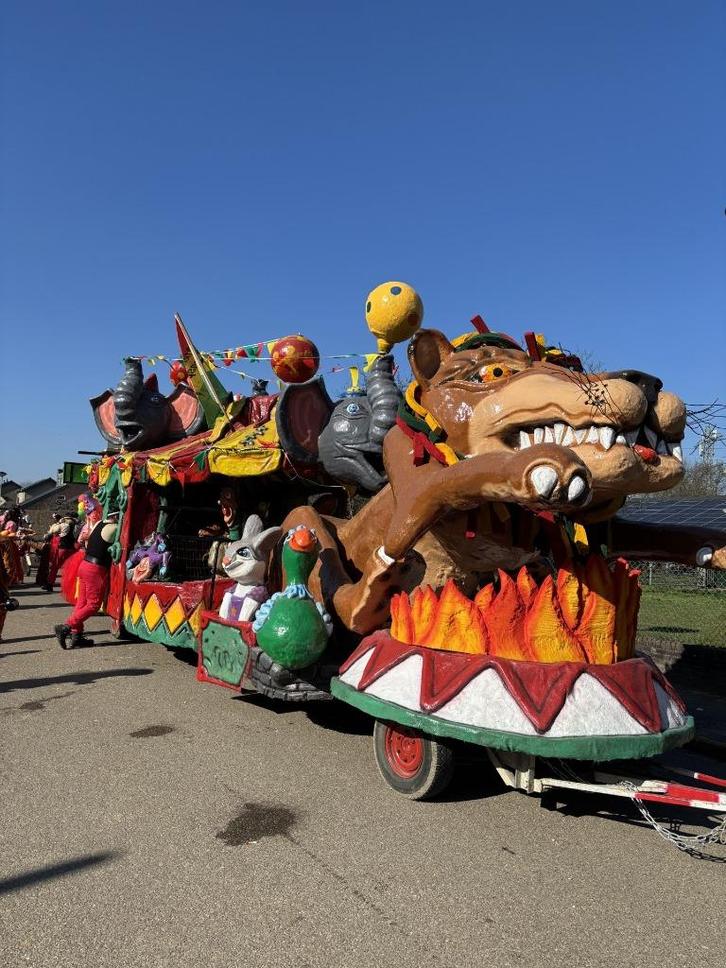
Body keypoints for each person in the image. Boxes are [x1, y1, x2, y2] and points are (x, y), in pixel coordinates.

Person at [54, 511, 119, 649]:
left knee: (82, 603)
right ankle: (66, 626)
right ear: (117, 516)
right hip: (96, 569)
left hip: (85, 564)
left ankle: (77, 636)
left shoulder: (98, 524)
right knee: (93, 604)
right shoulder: (115, 528)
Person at [45, 512, 77, 589]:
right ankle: (69, 585)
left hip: (62, 548)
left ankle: (50, 584)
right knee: (70, 568)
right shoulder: (76, 525)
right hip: (72, 548)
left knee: (55, 566)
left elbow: (52, 531)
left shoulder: (63, 525)